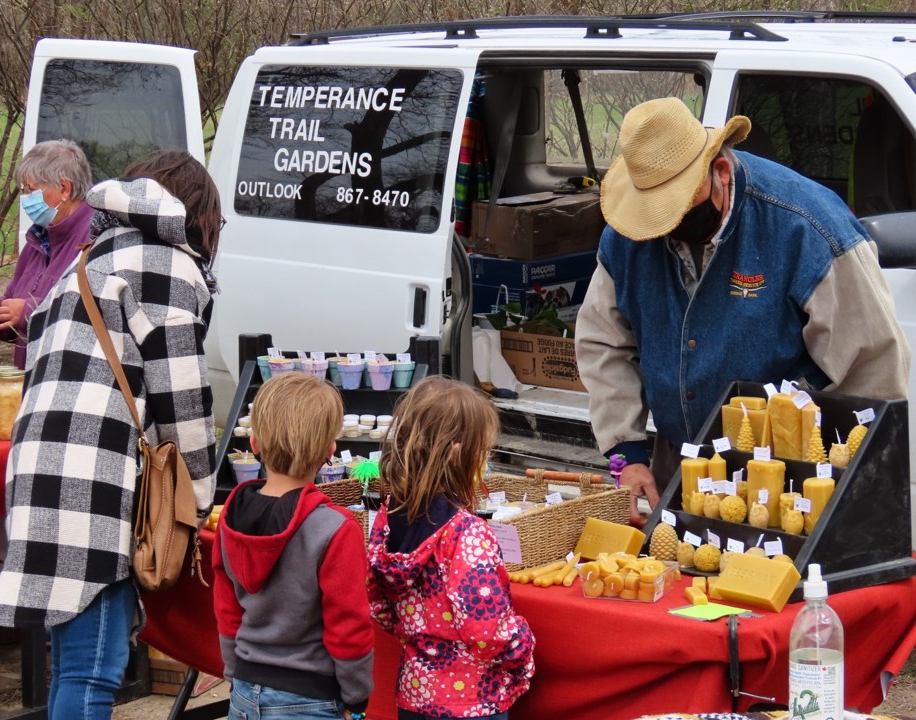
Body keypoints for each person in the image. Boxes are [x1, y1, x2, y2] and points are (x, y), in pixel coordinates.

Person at [575, 97, 911, 527]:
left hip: (791, 483)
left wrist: (837, 484)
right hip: (681, 470)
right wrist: (627, 457)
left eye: (677, 207)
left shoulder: (808, 227)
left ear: (720, 171)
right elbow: (604, 344)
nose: (667, 224)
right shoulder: (627, 237)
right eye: (656, 214)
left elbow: (873, 372)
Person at [0, 149, 221, 720]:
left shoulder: (90, 257)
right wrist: (203, 498)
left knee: (75, 659)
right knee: (94, 666)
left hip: (40, 466)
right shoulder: (168, 264)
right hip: (89, 479)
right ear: (195, 213)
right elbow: (183, 400)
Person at [367, 376, 536, 720]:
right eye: (484, 451)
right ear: (459, 454)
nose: (486, 461)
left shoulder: (388, 516)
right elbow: (487, 630)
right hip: (471, 701)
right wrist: (522, 646)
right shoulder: (467, 533)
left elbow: (378, 602)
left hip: (415, 692)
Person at [213, 372, 374, 720]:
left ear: (254, 445)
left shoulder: (230, 516)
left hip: (244, 687)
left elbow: (227, 608)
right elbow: (349, 625)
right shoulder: (336, 527)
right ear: (330, 452)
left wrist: (233, 669)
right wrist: (357, 696)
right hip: (310, 696)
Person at [0, 139, 93, 368]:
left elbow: (90, 314)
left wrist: (28, 312)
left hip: (71, 382)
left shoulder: (94, 237)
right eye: (23, 190)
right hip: (32, 383)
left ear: (65, 188)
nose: (26, 199)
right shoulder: (38, 240)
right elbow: (15, 324)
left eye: (31, 191)